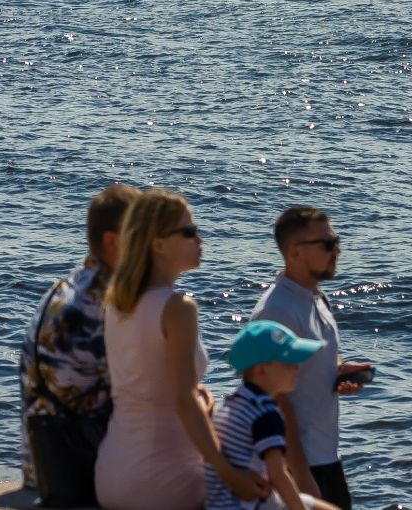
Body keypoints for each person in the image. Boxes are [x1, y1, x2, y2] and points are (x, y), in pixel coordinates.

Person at [95, 189, 268, 510]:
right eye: (188, 232)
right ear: (158, 244)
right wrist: (229, 474)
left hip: (112, 472)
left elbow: (147, 377)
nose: (199, 239)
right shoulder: (177, 307)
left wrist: (196, 391)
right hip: (161, 478)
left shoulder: (118, 302)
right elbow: (183, 400)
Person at [19, 183, 137, 494]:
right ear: (113, 241)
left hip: (43, 462)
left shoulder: (68, 286)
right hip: (79, 468)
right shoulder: (102, 305)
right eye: (141, 236)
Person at [251, 207, 372, 508]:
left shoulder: (315, 298)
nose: (337, 250)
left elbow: (312, 364)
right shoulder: (277, 310)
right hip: (299, 462)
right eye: (327, 244)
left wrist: (339, 372)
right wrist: (301, 477)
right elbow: (275, 400)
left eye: (336, 240)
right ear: (295, 252)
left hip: (326, 456)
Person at [208, 321, 341, 510]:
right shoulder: (265, 413)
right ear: (261, 370)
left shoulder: (237, 401)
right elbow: (278, 475)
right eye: (289, 362)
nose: (297, 368)